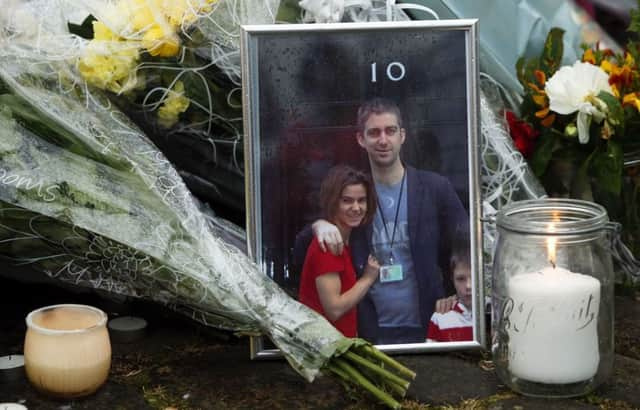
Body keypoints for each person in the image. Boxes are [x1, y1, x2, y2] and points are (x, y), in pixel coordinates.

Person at [296, 97, 468, 344]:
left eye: (390, 131)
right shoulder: (354, 193)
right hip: (370, 330)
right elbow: (301, 250)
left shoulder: (434, 188)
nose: (383, 140)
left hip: (429, 322)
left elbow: (466, 242)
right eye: (374, 132)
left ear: (403, 135)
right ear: (360, 139)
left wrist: (456, 293)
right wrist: (319, 225)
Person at [298, 165, 380, 337]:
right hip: (326, 350)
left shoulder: (349, 239)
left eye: (361, 200)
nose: (356, 208)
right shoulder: (327, 244)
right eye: (347, 200)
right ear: (332, 201)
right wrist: (367, 278)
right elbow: (334, 309)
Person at [426, 232, 473, 342]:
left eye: (474, 277)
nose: (468, 286)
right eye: (461, 279)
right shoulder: (440, 318)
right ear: (452, 278)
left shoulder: (493, 313)